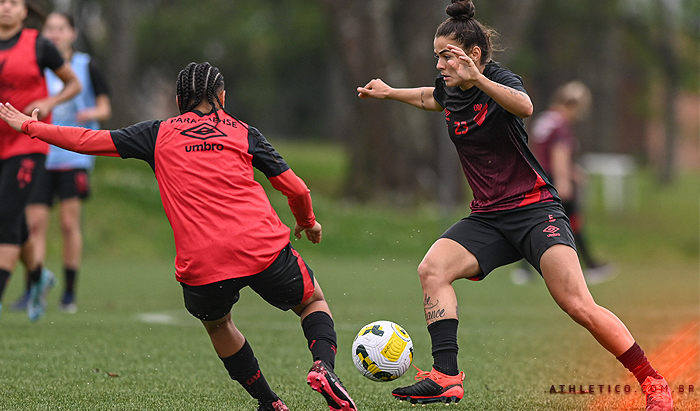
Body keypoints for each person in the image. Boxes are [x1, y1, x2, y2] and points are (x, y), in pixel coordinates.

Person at [356, 1, 672, 410]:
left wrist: (478, 78)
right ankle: (446, 377)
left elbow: (524, 106)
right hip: (488, 216)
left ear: (473, 54)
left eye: (447, 56)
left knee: (578, 304)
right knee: (432, 270)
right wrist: (388, 92)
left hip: (535, 210)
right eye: (437, 56)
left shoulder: (499, 79)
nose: (440, 65)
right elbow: (428, 98)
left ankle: (653, 381)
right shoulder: (450, 89)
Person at [0, 61, 356, 411]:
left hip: (203, 262)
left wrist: (31, 126)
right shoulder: (244, 132)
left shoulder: (156, 134)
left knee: (219, 325)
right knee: (312, 302)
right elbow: (297, 189)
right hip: (261, 247)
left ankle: (269, 401)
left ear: (177, 101)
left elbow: (88, 139)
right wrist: (307, 222)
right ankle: (323, 366)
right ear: (222, 97)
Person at [11, 11, 112, 314]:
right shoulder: (36, 63)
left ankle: (69, 293)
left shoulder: (85, 66)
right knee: (34, 224)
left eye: (61, 28)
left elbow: (105, 107)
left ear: (72, 33)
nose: (55, 34)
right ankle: (33, 288)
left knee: (68, 223)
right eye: (50, 29)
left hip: (74, 155)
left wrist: (90, 114)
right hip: (41, 154)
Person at [0, 0, 81, 321]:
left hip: (26, 141)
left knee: (5, 216)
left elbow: (73, 84)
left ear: (25, 11)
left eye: (13, 2)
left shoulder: (39, 45)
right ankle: (38, 277)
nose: (6, 7)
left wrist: (49, 101)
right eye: (2, 2)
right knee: (13, 215)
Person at [510, 81, 614, 286]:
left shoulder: (545, 119)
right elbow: (559, 154)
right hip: (553, 180)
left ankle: (525, 270)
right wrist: (564, 180)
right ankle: (590, 266)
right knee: (569, 221)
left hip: (538, 176)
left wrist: (572, 171)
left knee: (540, 222)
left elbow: (540, 152)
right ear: (573, 105)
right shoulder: (561, 124)